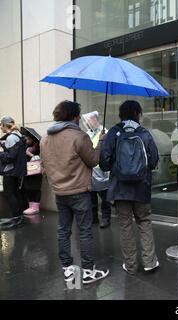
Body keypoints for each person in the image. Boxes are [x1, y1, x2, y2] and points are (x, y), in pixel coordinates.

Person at [40, 101, 109, 284]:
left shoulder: (45, 138)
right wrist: (100, 142)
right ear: (73, 116)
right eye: (78, 115)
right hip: (79, 191)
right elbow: (93, 160)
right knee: (85, 231)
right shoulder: (79, 136)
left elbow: (44, 166)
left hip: (59, 193)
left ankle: (67, 268)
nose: (79, 118)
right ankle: (87, 271)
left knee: (63, 231)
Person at [100, 100, 160, 275]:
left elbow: (103, 163)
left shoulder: (113, 132)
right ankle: (149, 262)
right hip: (141, 188)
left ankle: (131, 265)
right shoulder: (144, 133)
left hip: (119, 189)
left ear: (121, 114)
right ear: (137, 113)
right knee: (145, 222)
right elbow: (154, 160)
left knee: (125, 226)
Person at [82, 111, 112, 229]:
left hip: (102, 170)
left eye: (89, 120)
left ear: (95, 119)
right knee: (91, 197)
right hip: (90, 170)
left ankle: (106, 218)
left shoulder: (105, 132)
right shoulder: (88, 133)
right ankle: (93, 217)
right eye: (87, 121)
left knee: (105, 197)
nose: (88, 123)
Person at [0, 116, 27, 230]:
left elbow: (10, 158)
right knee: (15, 194)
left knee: (10, 194)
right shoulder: (17, 135)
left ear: (5, 125)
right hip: (17, 171)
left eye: (1, 125)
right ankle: (18, 218)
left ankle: (16, 219)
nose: (0, 127)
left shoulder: (11, 137)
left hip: (10, 171)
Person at [21, 127, 42, 216]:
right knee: (28, 188)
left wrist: (30, 154)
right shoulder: (27, 146)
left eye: (28, 138)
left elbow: (39, 158)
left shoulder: (38, 146)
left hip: (35, 172)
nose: (26, 140)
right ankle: (31, 206)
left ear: (32, 139)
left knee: (35, 189)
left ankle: (35, 207)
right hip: (28, 171)